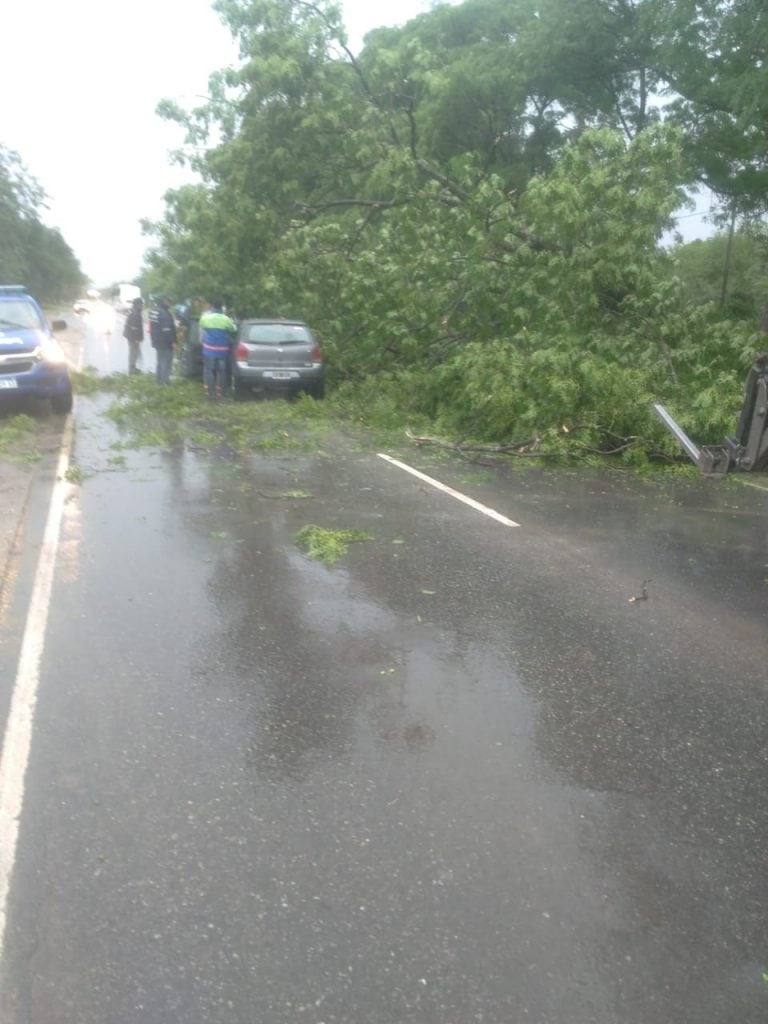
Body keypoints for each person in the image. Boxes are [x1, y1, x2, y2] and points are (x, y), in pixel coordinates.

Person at [199, 298, 237, 400]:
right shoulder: (226, 319)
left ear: (212, 306)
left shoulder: (206, 318)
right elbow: (233, 329)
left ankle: (211, 394)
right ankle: (222, 393)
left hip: (209, 350)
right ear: (222, 307)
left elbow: (202, 327)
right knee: (222, 372)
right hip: (222, 350)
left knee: (209, 371)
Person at [149, 297, 178, 384]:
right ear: (163, 302)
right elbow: (167, 330)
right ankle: (165, 381)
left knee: (160, 361)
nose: (169, 304)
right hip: (165, 342)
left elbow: (152, 326)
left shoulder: (153, 311)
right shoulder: (164, 313)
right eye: (168, 302)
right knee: (166, 362)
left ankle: (158, 380)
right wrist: (173, 342)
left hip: (156, 340)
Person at [122, 297, 144, 374]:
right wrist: (137, 339)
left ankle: (133, 367)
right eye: (141, 304)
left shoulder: (134, 311)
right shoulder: (136, 314)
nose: (142, 306)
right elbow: (135, 328)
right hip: (133, 337)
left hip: (130, 336)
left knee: (133, 352)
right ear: (137, 305)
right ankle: (132, 369)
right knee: (133, 353)